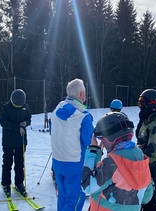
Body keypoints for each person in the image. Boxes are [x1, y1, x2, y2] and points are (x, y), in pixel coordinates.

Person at [81, 112, 153, 211]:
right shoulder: (141, 160)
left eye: (102, 139)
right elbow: (146, 197)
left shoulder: (111, 163)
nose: (102, 143)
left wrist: (93, 151)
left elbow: (87, 185)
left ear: (111, 139)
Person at [50, 78, 94, 211]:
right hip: (74, 163)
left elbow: (53, 131)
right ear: (81, 94)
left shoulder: (58, 108)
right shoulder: (83, 116)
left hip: (57, 161)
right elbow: (88, 141)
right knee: (75, 198)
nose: (86, 94)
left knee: (63, 195)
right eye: (85, 92)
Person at [0, 89, 31, 197]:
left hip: (21, 141)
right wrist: (18, 127)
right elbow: (3, 122)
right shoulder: (6, 107)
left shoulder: (25, 107)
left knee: (19, 163)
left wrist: (25, 123)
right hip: (8, 140)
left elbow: (29, 119)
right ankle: (6, 184)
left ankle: (19, 183)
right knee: (7, 162)